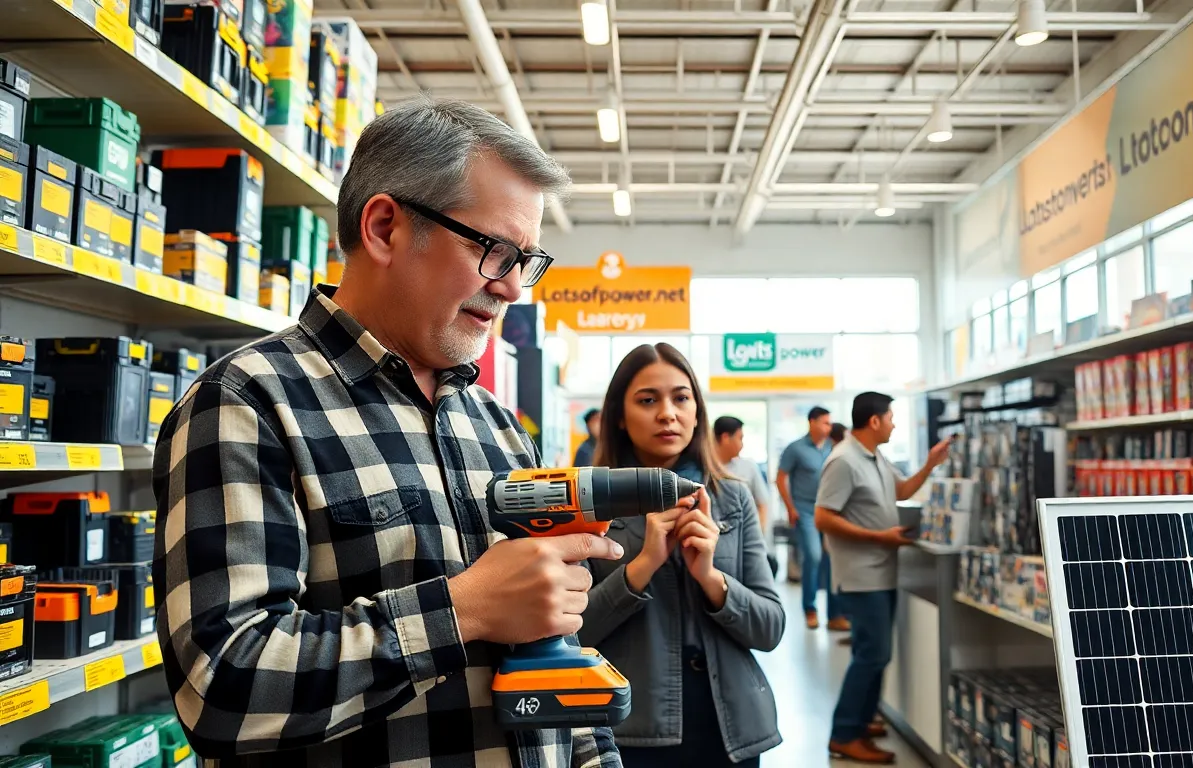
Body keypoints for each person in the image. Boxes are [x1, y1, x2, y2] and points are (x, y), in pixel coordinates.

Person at [151, 99, 624, 766]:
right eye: (494, 250)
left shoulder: (498, 429)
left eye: (527, 259)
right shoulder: (247, 402)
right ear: (383, 228)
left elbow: (558, 657)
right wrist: (463, 610)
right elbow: (221, 687)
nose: (514, 287)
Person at [580, 343, 785, 768]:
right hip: (630, 729)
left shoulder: (732, 499)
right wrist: (641, 568)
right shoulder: (588, 506)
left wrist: (712, 579)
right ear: (619, 416)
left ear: (697, 411)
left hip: (731, 727)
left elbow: (770, 628)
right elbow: (572, 635)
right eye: (647, 400)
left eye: (681, 398)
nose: (667, 414)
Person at [815, 392, 951, 764]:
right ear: (874, 421)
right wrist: (879, 537)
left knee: (876, 654)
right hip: (861, 576)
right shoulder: (843, 460)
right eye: (890, 417)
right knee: (871, 655)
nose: (894, 423)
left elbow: (902, 490)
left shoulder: (874, 456)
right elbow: (823, 517)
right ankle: (844, 734)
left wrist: (931, 463)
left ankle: (861, 721)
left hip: (881, 572)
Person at [777, 406, 846, 631]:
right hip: (805, 511)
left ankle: (835, 615)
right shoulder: (795, 448)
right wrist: (790, 508)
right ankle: (810, 609)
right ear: (812, 422)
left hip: (828, 510)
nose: (829, 427)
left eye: (830, 423)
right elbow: (780, 478)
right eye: (825, 423)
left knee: (833, 559)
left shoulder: (832, 448)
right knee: (813, 557)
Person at [713, 415, 778, 576]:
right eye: (740, 438)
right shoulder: (705, 469)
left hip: (745, 542)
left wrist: (757, 535)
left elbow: (762, 504)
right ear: (725, 437)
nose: (742, 444)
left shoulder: (748, 467)